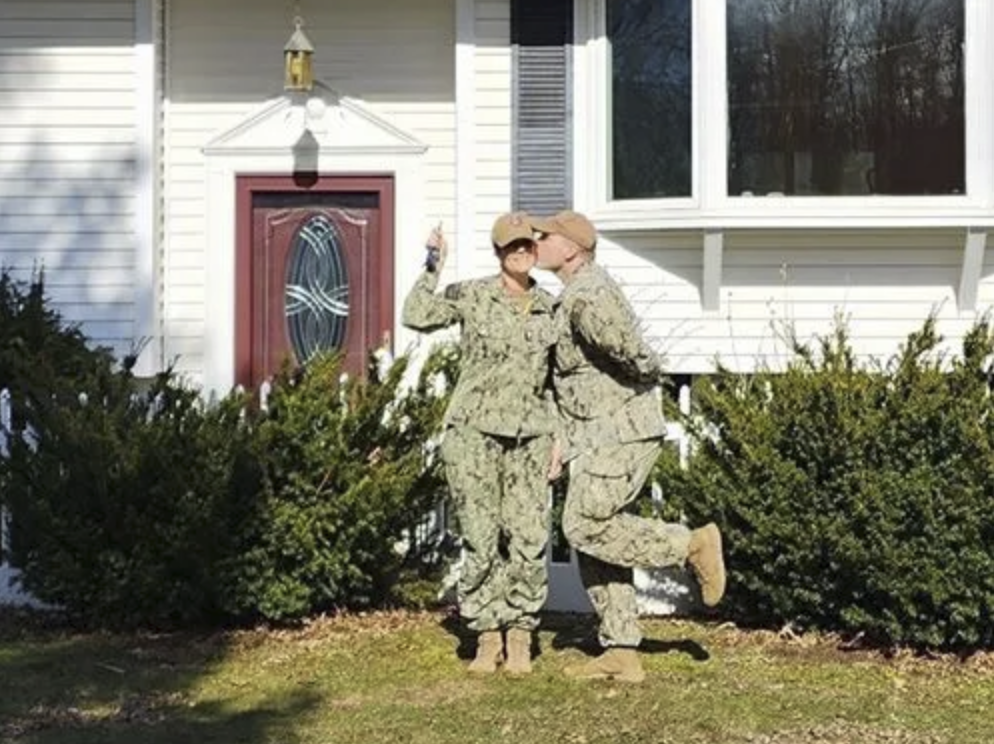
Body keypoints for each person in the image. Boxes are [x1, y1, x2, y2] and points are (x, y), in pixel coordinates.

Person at [531, 209, 726, 683]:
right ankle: (621, 649)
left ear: (572, 248)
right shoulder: (574, 294)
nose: (537, 239)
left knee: (581, 525)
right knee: (596, 539)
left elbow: (636, 353)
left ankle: (692, 544)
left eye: (546, 235)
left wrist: (635, 388)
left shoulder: (589, 297)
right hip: (595, 435)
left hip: (620, 432)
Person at [402, 213, 558, 675]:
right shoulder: (473, 295)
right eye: (512, 247)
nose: (520, 254)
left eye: (526, 246)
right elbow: (415, 315)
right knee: (482, 536)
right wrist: (433, 263)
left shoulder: (551, 307)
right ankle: (488, 636)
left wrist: (559, 439)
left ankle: (521, 633)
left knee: (529, 538)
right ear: (498, 253)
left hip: (531, 435)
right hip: (473, 433)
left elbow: (558, 380)